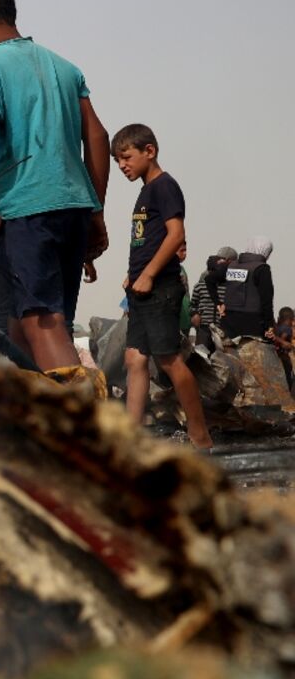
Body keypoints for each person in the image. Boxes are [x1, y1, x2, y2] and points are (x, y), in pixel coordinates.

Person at [0, 0, 110, 377]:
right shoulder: (64, 66)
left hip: (28, 208)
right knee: (22, 328)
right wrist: (96, 209)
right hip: (73, 209)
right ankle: (36, 422)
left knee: (43, 324)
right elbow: (98, 135)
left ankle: (84, 431)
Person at [113, 123, 211, 450]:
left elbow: (175, 235)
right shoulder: (145, 192)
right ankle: (132, 437)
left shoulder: (164, 186)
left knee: (168, 359)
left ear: (149, 151)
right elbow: (147, 239)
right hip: (140, 289)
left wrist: (150, 274)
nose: (123, 165)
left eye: (127, 157)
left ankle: (201, 436)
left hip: (159, 288)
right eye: (118, 161)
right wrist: (134, 273)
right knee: (134, 359)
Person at [221, 237, 276, 340]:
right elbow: (266, 300)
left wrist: (218, 303)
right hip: (252, 321)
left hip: (228, 319)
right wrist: (269, 325)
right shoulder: (262, 268)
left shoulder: (232, 265)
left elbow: (210, 279)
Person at [189, 247, 236, 351]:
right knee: (202, 354)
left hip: (222, 329)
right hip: (204, 327)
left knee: (223, 356)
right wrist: (194, 314)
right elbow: (192, 305)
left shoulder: (229, 287)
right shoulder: (200, 286)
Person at [272, 307, 295, 389]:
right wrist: (286, 344)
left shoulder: (278, 327)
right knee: (287, 379)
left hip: (277, 357)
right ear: (291, 319)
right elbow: (282, 340)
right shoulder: (287, 329)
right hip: (284, 357)